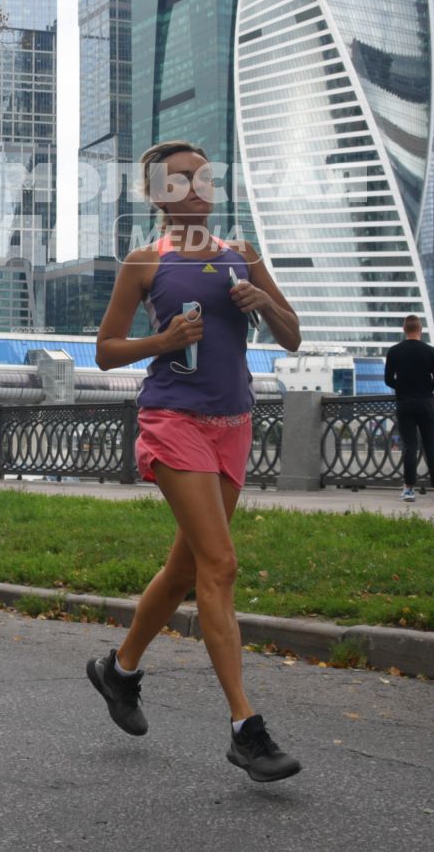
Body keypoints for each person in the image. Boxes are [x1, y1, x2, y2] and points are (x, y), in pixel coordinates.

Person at [83, 139, 307, 783]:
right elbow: (104, 351)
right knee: (220, 563)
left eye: (204, 178)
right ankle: (246, 728)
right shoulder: (143, 262)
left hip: (233, 425)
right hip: (172, 421)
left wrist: (264, 304)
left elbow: (293, 336)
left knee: (185, 570)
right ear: (157, 195)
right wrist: (165, 339)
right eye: (180, 181)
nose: (196, 188)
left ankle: (118, 671)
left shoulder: (242, 254)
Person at [383, 315, 434, 502]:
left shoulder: (394, 351)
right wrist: (423, 387)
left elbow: (388, 380)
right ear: (420, 329)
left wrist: (404, 387)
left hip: (404, 403)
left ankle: (408, 489)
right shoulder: (430, 351)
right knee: (431, 446)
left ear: (404, 330)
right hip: (425, 403)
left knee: (409, 446)